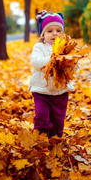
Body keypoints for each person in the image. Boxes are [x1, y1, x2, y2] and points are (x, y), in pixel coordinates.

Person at [29, 10, 75, 138]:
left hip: (60, 91)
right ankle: (40, 137)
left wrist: (71, 63)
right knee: (42, 117)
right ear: (43, 34)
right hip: (42, 91)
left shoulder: (66, 48)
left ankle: (56, 137)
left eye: (58, 30)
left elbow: (73, 66)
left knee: (58, 120)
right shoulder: (39, 47)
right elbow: (37, 62)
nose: (55, 33)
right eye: (50, 31)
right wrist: (53, 60)